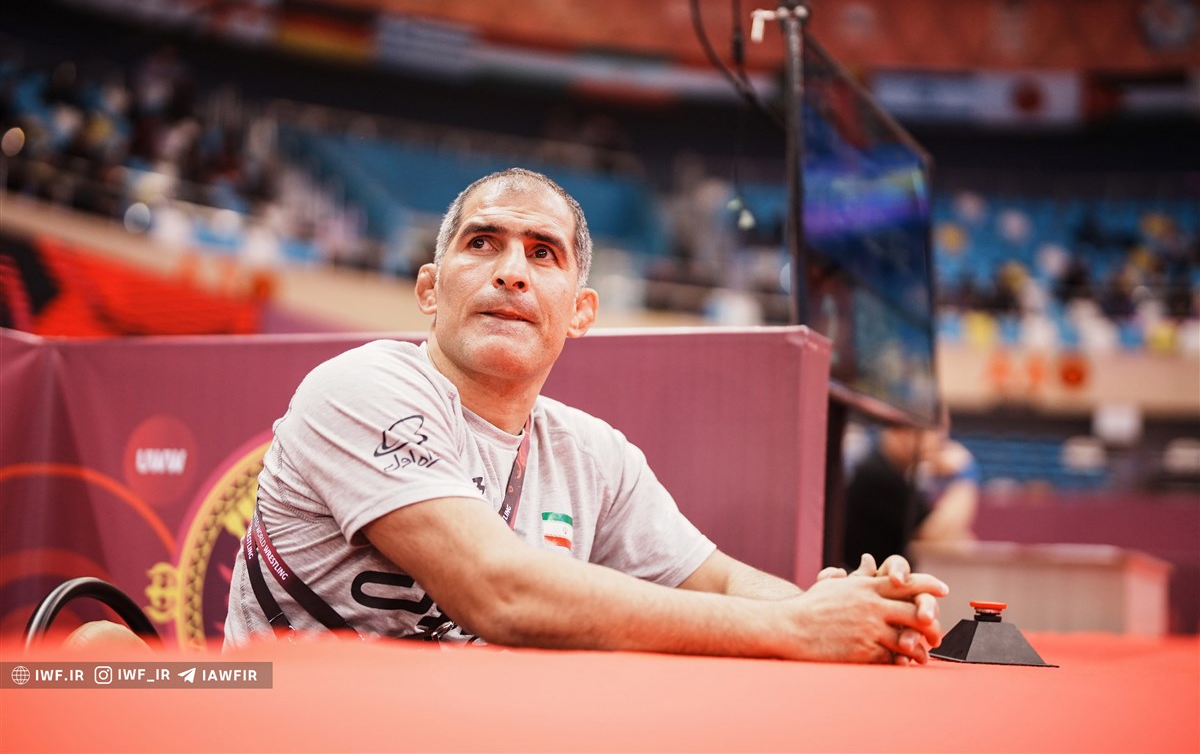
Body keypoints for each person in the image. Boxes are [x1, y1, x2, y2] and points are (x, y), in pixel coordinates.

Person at [224, 167, 948, 664]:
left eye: (543, 253)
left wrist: (851, 613)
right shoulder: (360, 387)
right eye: (482, 243)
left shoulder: (593, 453)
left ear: (581, 311)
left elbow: (726, 583)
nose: (511, 271)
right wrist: (795, 628)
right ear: (429, 290)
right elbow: (499, 593)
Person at [842, 419, 980, 569]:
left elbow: (955, 537)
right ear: (903, 433)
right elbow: (936, 536)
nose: (942, 444)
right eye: (936, 433)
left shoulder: (900, 474)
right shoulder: (878, 475)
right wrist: (964, 475)